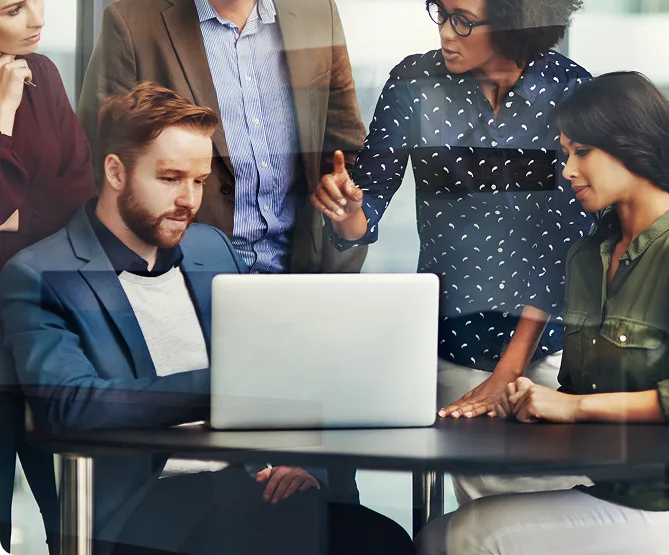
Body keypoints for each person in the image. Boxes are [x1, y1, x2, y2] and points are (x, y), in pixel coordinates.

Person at [0, 83, 414, 555]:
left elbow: (277, 371)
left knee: (382, 540)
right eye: (171, 177)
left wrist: (300, 462)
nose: (188, 199)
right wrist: (223, 391)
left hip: (248, 488)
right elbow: (69, 405)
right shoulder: (40, 274)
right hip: (138, 513)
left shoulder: (210, 248)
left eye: (198, 181)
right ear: (115, 171)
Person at [76, 0, 367, 501]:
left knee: (324, 511)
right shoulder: (132, 26)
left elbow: (351, 148)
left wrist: (347, 196)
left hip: (304, 300)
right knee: (212, 510)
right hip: (186, 308)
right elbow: (105, 180)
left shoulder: (315, 11)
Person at [312, 0, 591, 503]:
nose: (444, 32)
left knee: (541, 505)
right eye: (440, 12)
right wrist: (347, 211)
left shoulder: (571, 94)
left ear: (514, 22)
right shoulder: (414, 84)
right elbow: (370, 207)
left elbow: (566, 251)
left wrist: (505, 376)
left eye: (463, 21)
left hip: (544, 354)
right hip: (444, 347)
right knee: (468, 503)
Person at [415, 72, 669, 555]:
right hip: (605, 489)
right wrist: (533, 402)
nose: (568, 170)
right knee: (439, 535)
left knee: (466, 537)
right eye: (565, 153)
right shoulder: (587, 258)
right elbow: (580, 393)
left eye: (582, 152)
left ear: (631, 148)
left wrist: (571, 407)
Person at [0, 0, 96, 555]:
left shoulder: (44, 74)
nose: (37, 19)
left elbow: (78, 197)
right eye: (12, 9)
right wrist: (2, 118)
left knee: (78, 516)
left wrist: (14, 216)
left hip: (44, 333)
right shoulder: (18, 91)